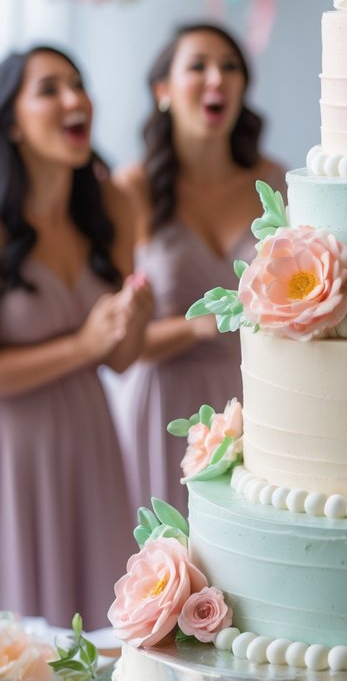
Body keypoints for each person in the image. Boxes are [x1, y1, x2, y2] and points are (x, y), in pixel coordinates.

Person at [0, 45, 153, 627]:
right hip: (14, 449)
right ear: (12, 122)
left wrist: (129, 325)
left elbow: (121, 361)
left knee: (97, 621)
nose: (74, 99)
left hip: (91, 438)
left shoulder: (110, 203)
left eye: (78, 83)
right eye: (49, 89)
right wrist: (84, 346)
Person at [112, 22, 286, 515]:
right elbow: (119, 342)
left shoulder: (274, 181)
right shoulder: (133, 190)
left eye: (230, 67)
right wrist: (201, 326)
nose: (218, 78)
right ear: (163, 91)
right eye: (198, 66)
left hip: (251, 397)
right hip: (160, 405)